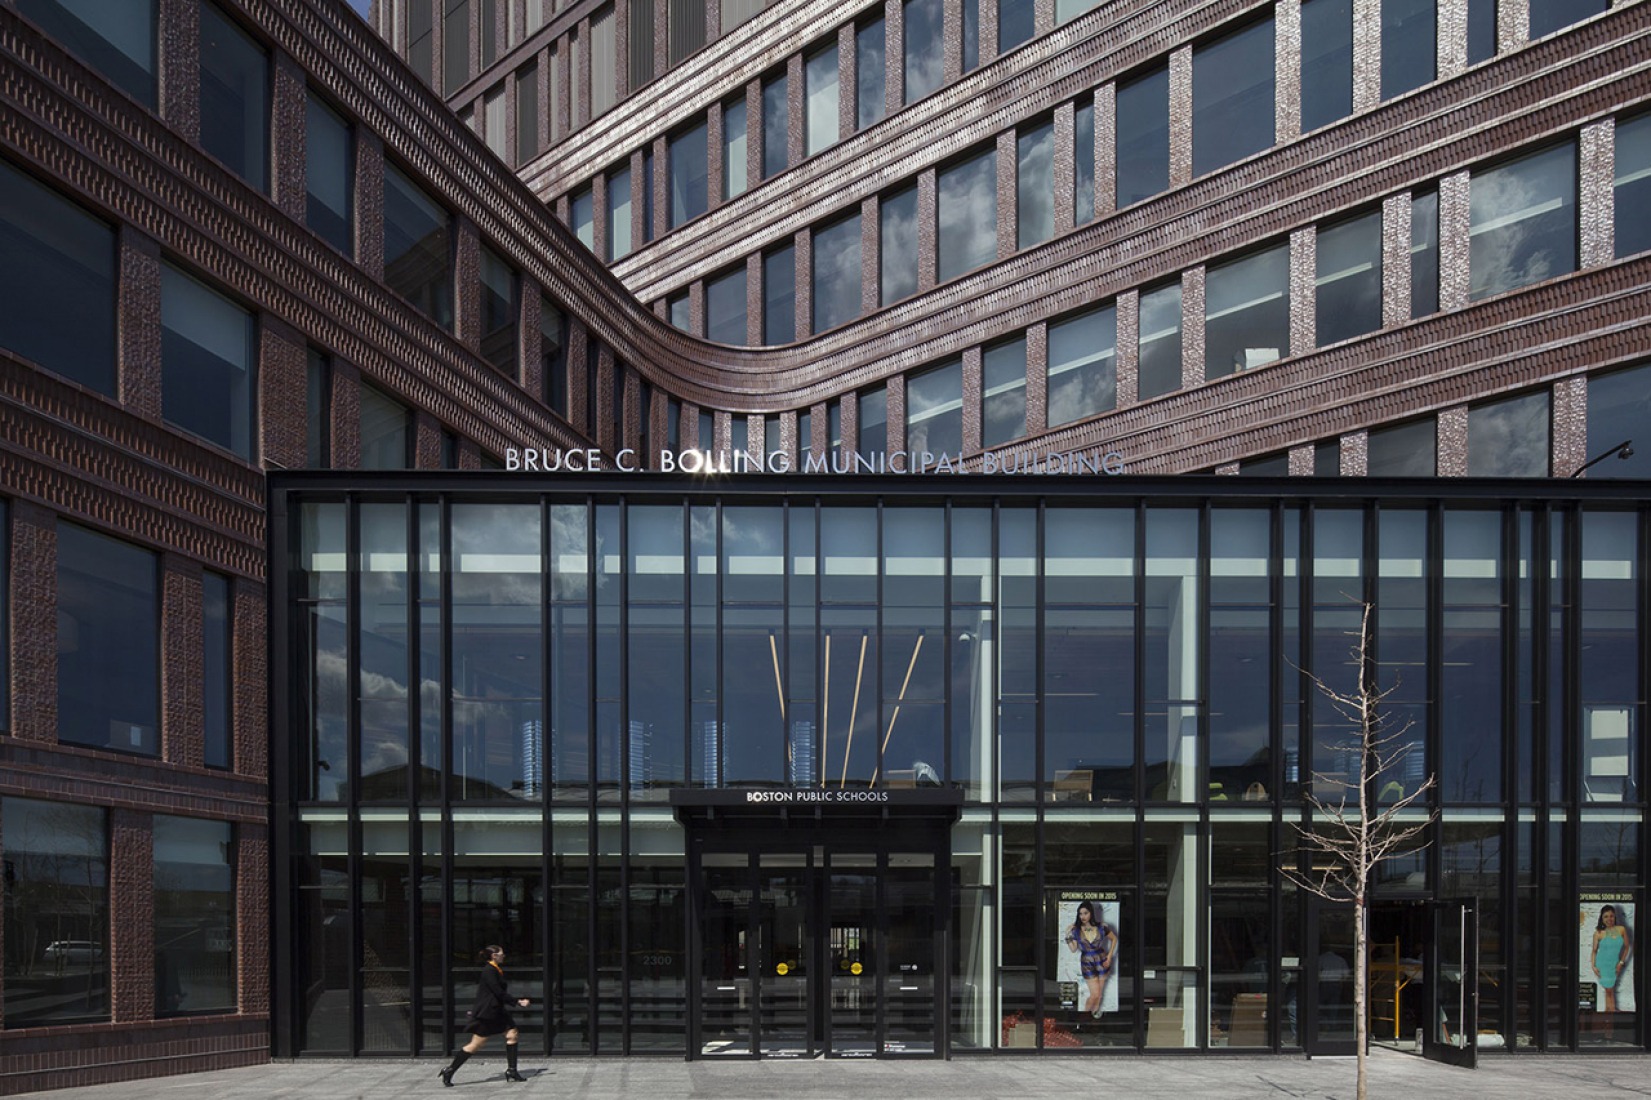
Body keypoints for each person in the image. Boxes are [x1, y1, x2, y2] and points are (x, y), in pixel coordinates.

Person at [440, 945, 530, 1086]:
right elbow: (498, 992)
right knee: (476, 1044)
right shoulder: (489, 971)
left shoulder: (495, 969)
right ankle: (450, 1070)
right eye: (501, 953)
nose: (504, 955)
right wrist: (518, 1002)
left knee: (512, 1034)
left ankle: (512, 1070)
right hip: (489, 1013)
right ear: (494, 956)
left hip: (497, 1011)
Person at [1063, 901, 1118, 1018]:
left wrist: (1109, 956)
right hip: (1087, 962)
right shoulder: (1076, 930)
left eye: (1085, 913)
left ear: (1091, 913)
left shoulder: (1101, 927)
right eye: (1080, 914)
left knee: (1099, 995)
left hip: (1102, 960)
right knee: (1094, 994)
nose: (1082, 916)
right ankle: (1083, 1018)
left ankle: (1093, 1019)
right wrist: (1067, 934)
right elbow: (1073, 949)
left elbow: (1114, 939)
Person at [1592, 904, 1634, 1012]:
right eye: (1606, 916)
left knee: (1609, 990)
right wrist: (1593, 966)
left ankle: (1609, 1012)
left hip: (1614, 963)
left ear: (1615, 917)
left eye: (1611, 916)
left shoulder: (1621, 929)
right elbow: (1594, 951)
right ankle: (1611, 1012)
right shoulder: (1598, 933)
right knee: (1608, 990)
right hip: (1602, 964)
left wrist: (1621, 962)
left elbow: (1627, 947)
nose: (1609, 919)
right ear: (1602, 918)